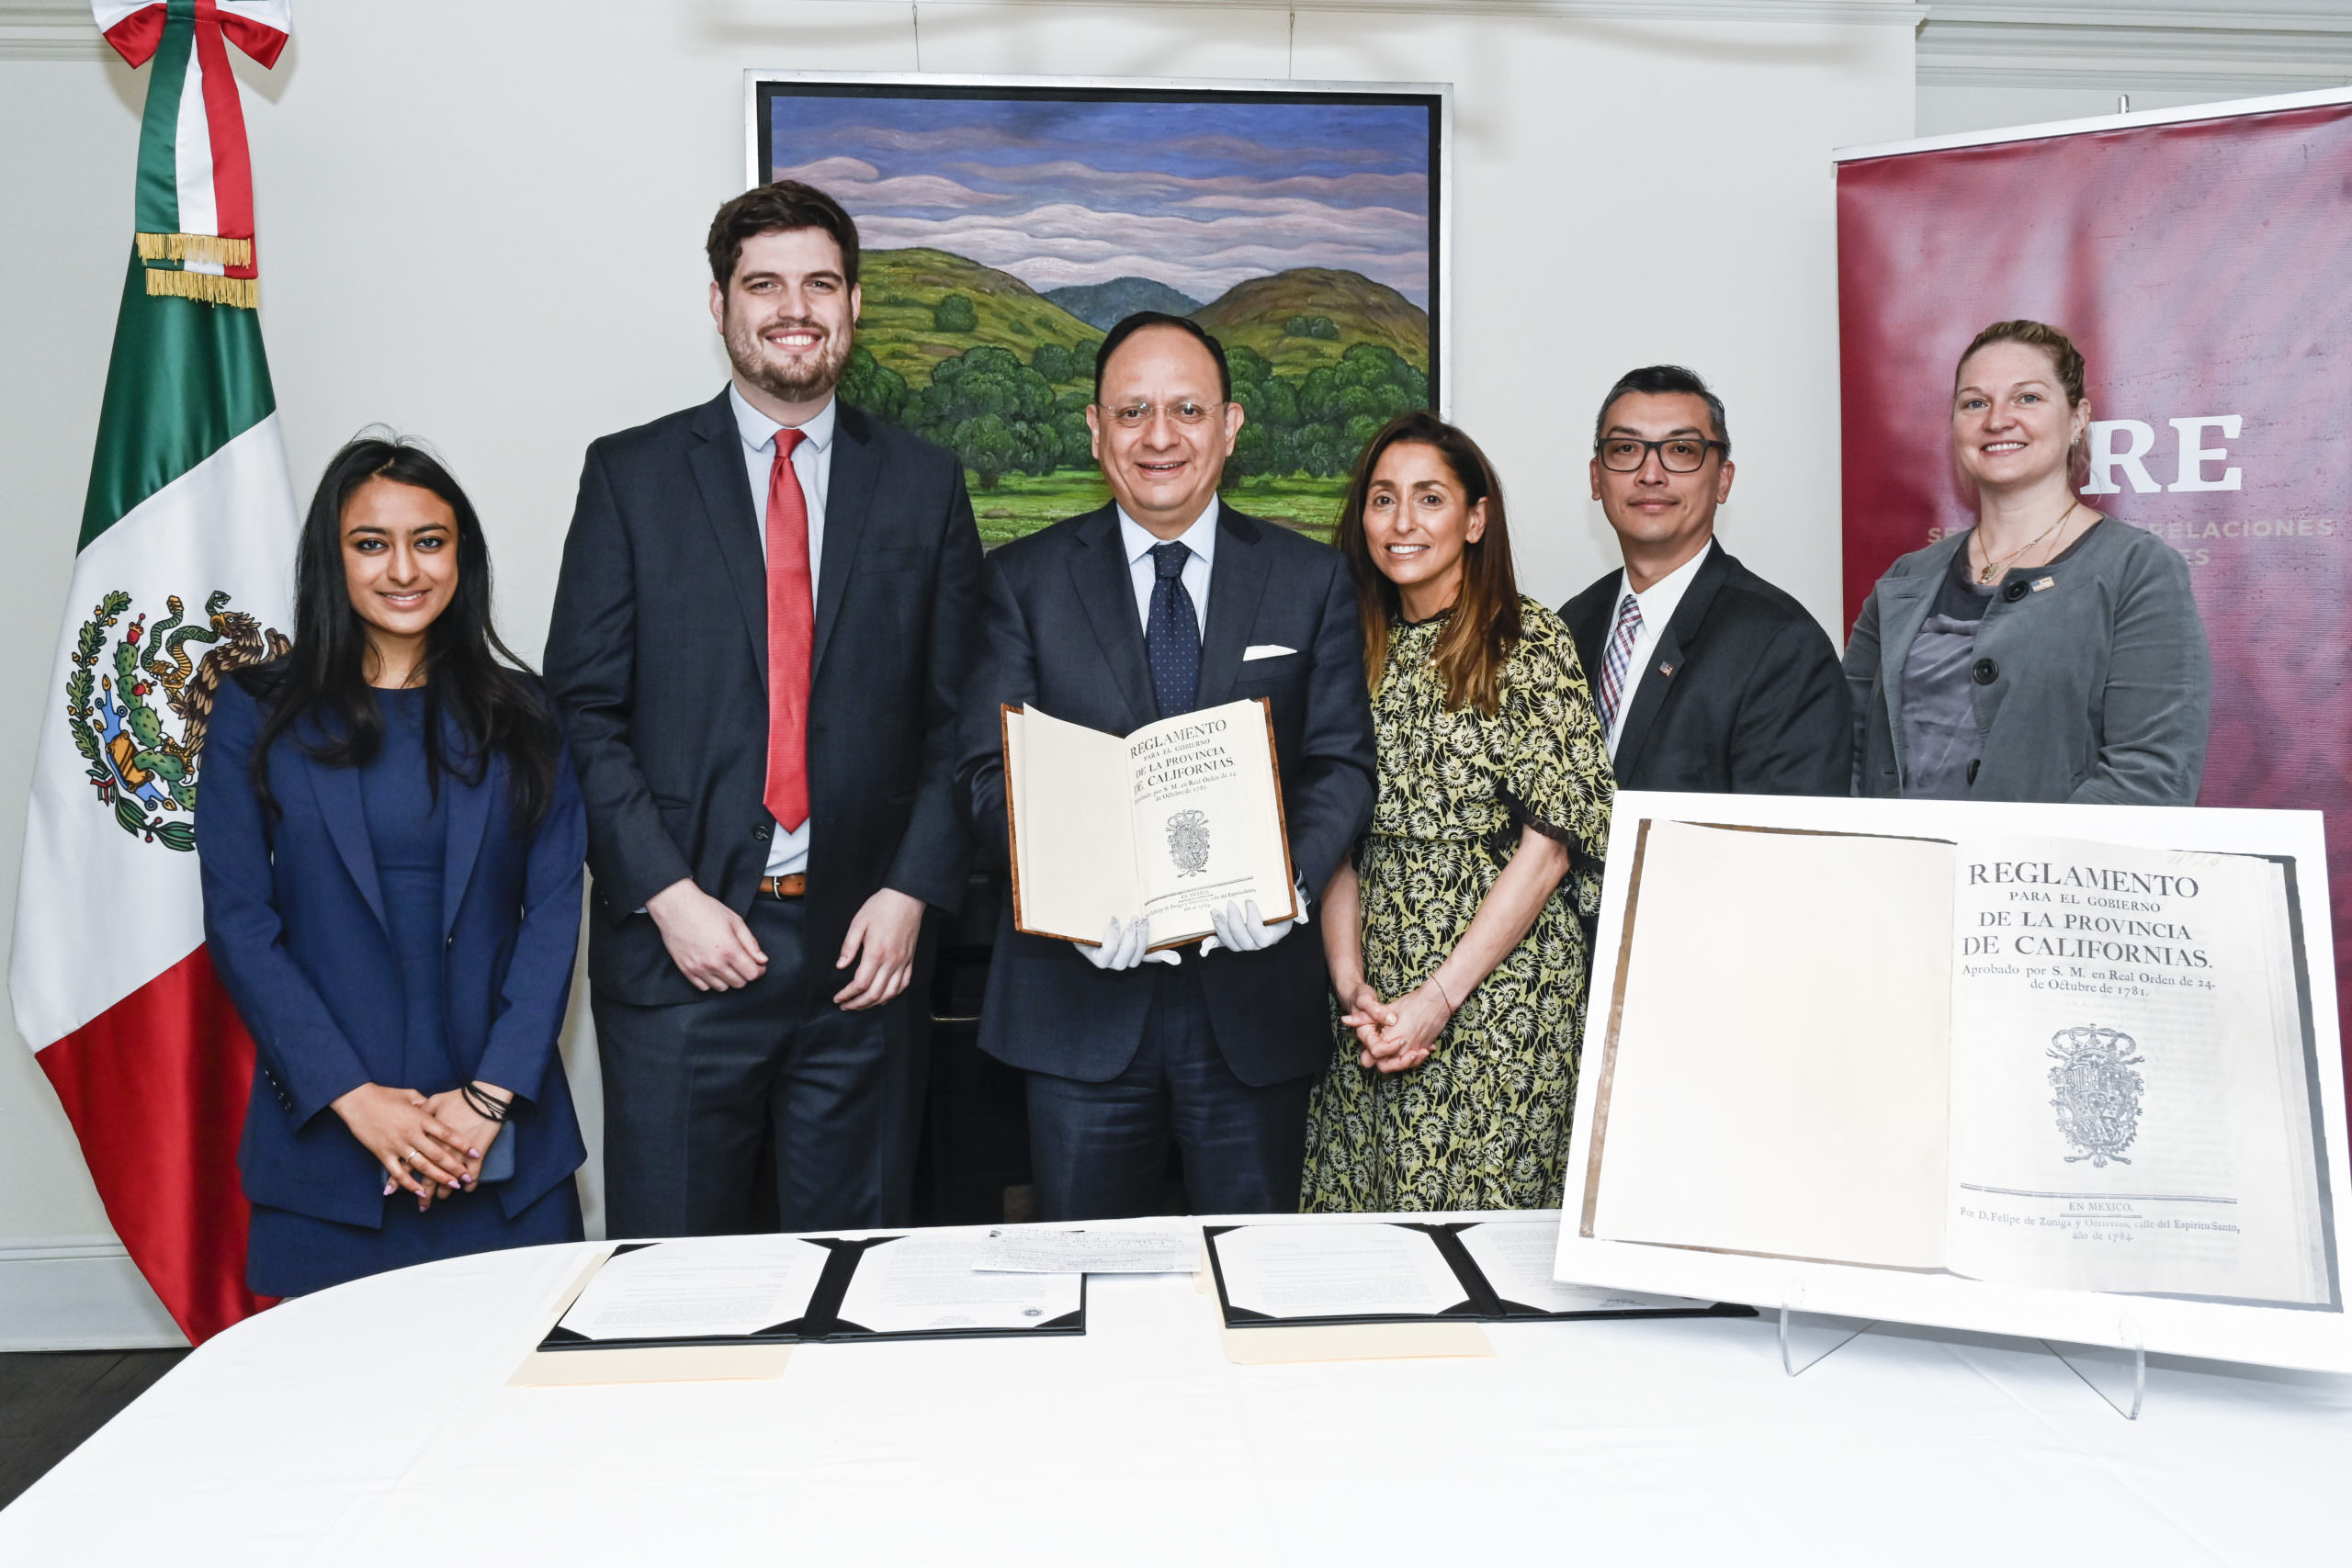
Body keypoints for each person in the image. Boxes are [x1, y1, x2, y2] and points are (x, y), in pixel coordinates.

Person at [545, 181, 981, 1239]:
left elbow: (960, 718)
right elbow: (581, 713)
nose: (796, 307)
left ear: (854, 305)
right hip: (682, 958)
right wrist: (666, 894)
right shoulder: (631, 477)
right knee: (676, 1293)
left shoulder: (923, 485)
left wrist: (914, 891)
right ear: (719, 304)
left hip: (862, 964)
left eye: (820, 284)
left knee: (857, 1286)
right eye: (766, 284)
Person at [956, 311, 1376, 1221]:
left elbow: (1339, 764)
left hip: (1253, 1003)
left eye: (1186, 410)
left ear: (1229, 427)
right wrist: (1070, 889)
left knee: (1256, 1288)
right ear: (1095, 429)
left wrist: (1286, 884)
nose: (1159, 437)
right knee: (1089, 1285)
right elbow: (986, 772)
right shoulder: (1020, 582)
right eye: (1132, 410)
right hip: (1078, 1004)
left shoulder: (1311, 581)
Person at [199, 435, 587, 1296]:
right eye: (371, 542)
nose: (403, 568)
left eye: (431, 540)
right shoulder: (256, 713)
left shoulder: (528, 714)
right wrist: (354, 1098)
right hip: (327, 1156)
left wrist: (488, 1099)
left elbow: (556, 914)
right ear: (331, 561)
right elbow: (240, 925)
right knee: (331, 1418)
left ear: (462, 557)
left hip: (503, 1153)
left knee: (521, 1411)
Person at [1299, 412, 1615, 1212]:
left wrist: (1438, 999)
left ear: (1475, 519)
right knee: (1360, 1258)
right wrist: (1351, 986)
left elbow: (1551, 847)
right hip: (1369, 1006)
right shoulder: (1347, 647)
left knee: (1480, 1264)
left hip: (1499, 1004)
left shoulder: (1527, 639)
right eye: (1382, 499)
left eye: (1429, 498)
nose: (1402, 522)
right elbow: (1334, 828)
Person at [1845, 320, 2209, 802]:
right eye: (1975, 403)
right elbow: (1844, 746)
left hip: (2045, 875)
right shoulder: (1905, 579)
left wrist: (2011, 870)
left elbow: (2149, 774)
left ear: (2078, 418)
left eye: (2027, 398)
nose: (1997, 420)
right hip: (1896, 870)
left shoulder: (2138, 570)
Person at [1560, 366, 1848, 795]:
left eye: (1680, 450)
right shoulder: (1569, 625)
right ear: (1596, 477)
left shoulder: (1784, 646)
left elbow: (1789, 849)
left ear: (1723, 480)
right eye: (1625, 448)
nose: (1650, 474)